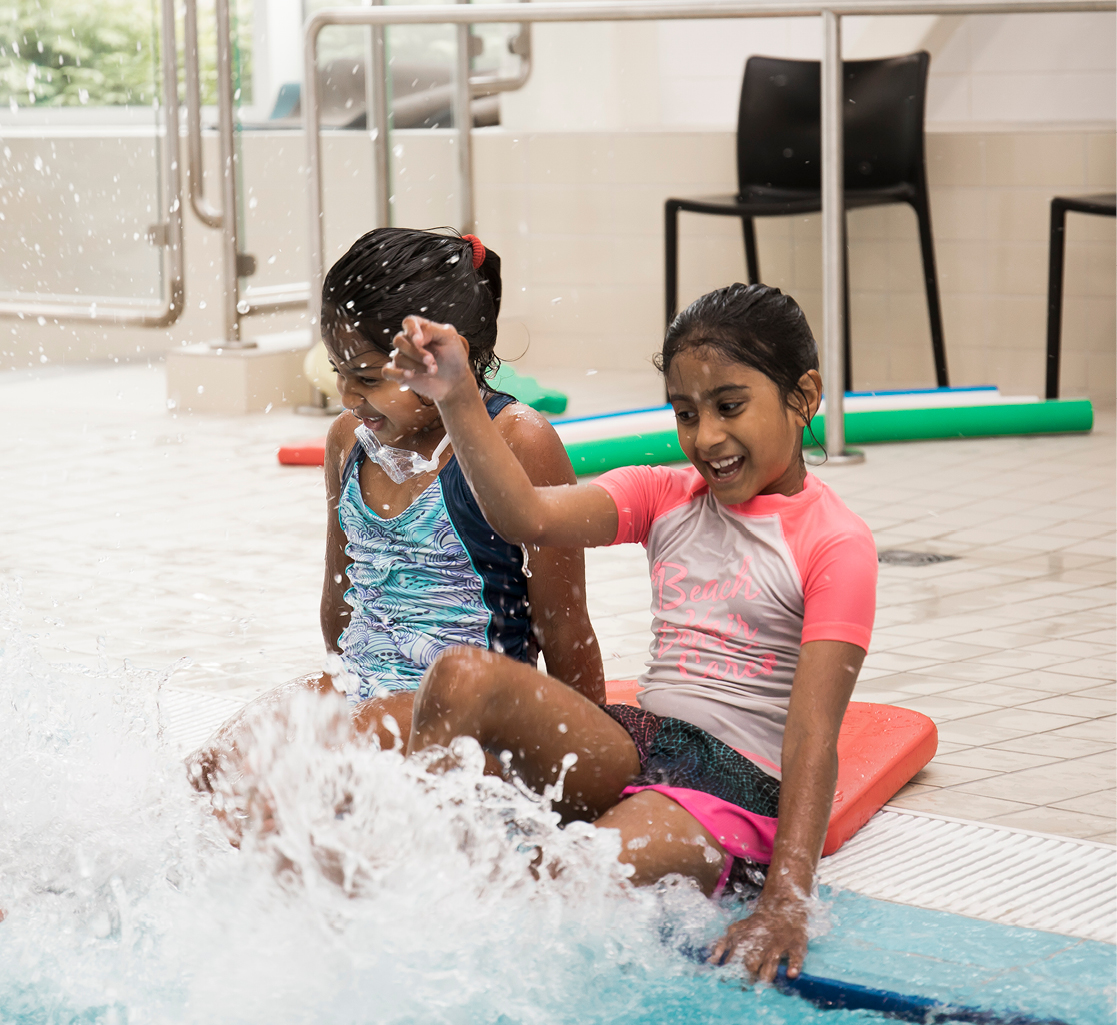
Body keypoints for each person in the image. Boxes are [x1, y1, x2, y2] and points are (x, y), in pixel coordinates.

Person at [384, 283, 877, 982]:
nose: (706, 437)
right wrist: (457, 397)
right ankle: (417, 880)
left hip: (733, 790)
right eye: (685, 413)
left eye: (729, 406)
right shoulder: (666, 494)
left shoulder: (835, 544)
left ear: (803, 396)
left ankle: (461, 949)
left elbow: (812, 735)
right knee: (461, 675)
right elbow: (525, 515)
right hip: (644, 745)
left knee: (554, 878)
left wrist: (786, 899)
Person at [187, 228, 603, 797]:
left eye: (367, 377)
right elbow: (340, 594)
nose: (346, 394)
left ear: (444, 360)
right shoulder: (348, 441)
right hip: (368, 688)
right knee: (218, 767)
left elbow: (563, 624)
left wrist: (587, 768)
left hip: (472, 716)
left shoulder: (519, 443)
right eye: (339, 370)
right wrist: (336, 698)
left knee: (307, 778)